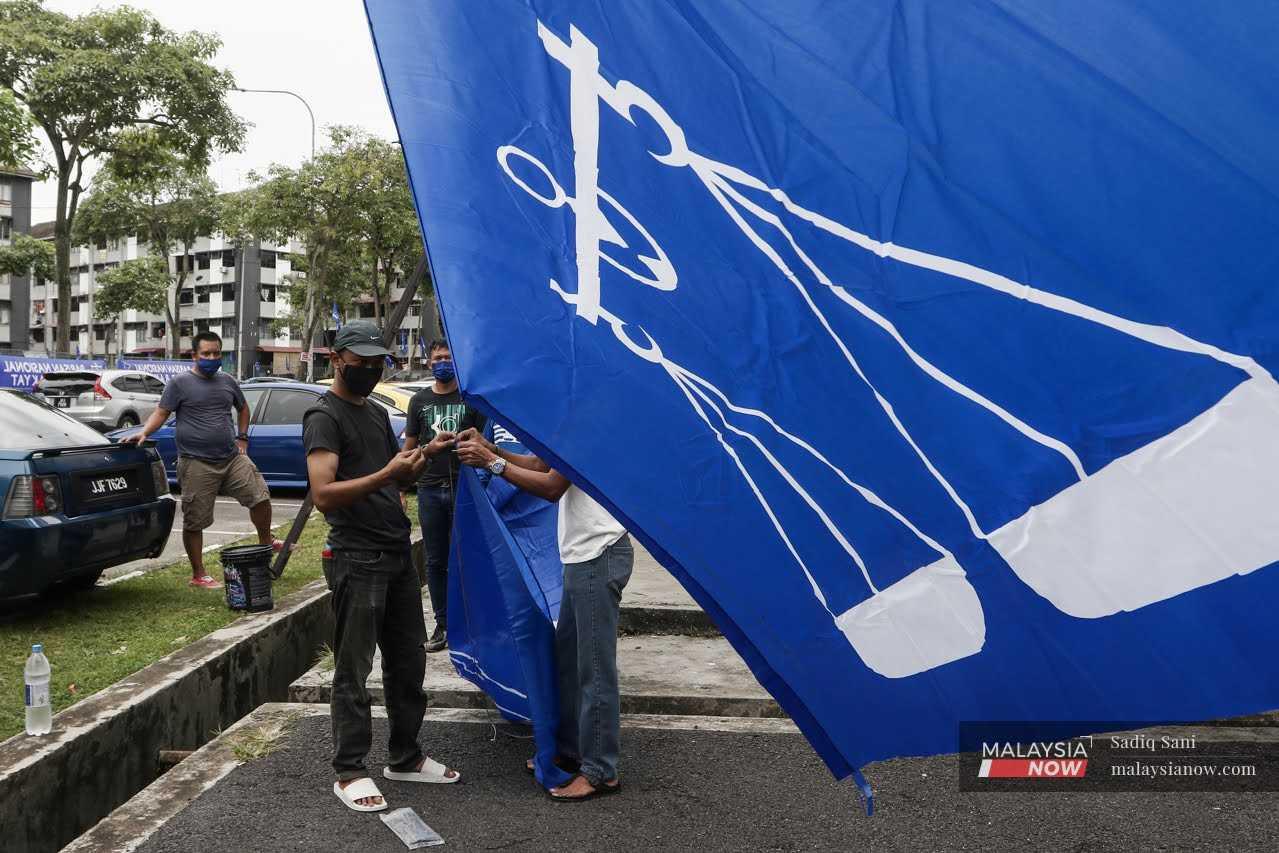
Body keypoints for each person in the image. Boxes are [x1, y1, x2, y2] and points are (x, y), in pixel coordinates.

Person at [303, 320, 462, 813]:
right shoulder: (323, 415)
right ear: (337, 360)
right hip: (357, 555)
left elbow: (393, 474)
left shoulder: (374, 411)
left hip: (395, 551)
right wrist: (390, 474)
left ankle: (405, 756)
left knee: (408, 659)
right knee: (354, 667)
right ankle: (349, 769)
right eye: (361, 363)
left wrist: (418, 459)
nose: (370, 371)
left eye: (378, 364)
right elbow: (323, 495)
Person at [457, 429, 633, 801]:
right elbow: (540, 464)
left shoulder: (587, 422)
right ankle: (571, 752)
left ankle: (601, 770)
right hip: (580, 555)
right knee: (569, 662)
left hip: (598, 554)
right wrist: (492, 448)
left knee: (594, 668)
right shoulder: (569, 417)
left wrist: (492, 462)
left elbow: (552, 486)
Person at [124, 331, 275, 589]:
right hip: (196, 462)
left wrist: (242, 438)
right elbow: (161, 413)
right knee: (196, 519)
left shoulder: (227, 381)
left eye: (216, 353)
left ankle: (265, 545)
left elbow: (243, 408)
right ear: (194, 355)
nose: (212, 358)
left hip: (231, 457)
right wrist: (144, 432)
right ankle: (199, 574)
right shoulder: (179, 384)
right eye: (206, 354)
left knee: (260, 496)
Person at [402, 340, 487, 652]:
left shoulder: (471, 399)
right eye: (437, 358)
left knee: (468, 557)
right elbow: (409, 448)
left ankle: (473, 623)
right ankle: (444, 623)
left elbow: (485, 441)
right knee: (436, 561)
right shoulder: (419, 401)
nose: (443, 363)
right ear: (428, 362)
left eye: (448, 357)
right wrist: (400, 486)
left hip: (466, 488)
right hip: (429, 489)